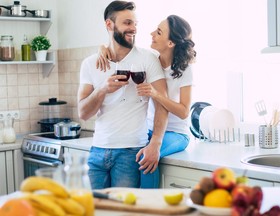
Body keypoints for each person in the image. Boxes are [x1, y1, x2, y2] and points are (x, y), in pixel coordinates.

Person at [96, 15, 196, 188]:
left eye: (158, 32)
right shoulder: (150, 60)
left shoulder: (184, 70)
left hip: (176, 133)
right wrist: (102, 48)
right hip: (149, 129)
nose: (151, 34)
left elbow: (184, 112)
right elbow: (120, 50)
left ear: (171, 43)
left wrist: (156, 95)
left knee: (145, 157)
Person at [77, 1, 168, 189]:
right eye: (127, 23)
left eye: (135, 23)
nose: (134, 28)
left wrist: (155, 144)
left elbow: (162, 105)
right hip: (97, 151)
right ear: (109, 25)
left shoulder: (148, 58)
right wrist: (102, 89)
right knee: (95, 209)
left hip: (131, 151)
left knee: (122, 209)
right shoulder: (90, 63)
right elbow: (83, 113)